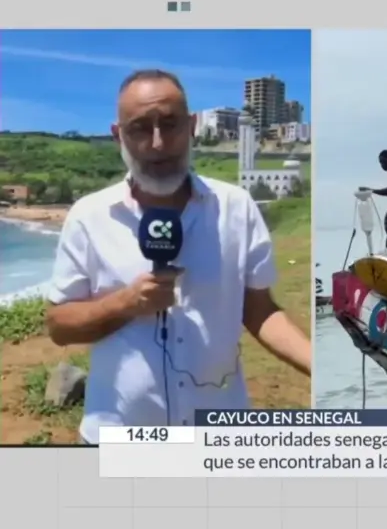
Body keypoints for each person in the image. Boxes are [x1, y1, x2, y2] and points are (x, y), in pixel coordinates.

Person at [44, 69, 311, 445]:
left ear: (191, 126)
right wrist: (125, 303)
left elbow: (260, 311)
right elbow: (59, 325)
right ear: (118, 136)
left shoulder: (236, 207)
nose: (157, 144)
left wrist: (318, 364)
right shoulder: (88, 217)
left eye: (169, 124)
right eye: (140, 128)